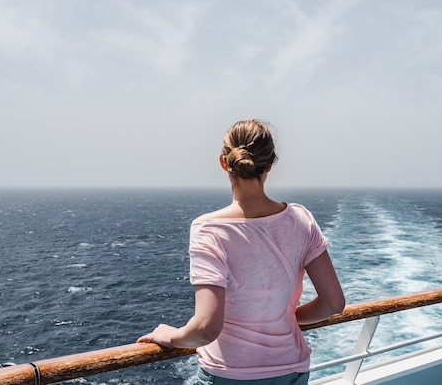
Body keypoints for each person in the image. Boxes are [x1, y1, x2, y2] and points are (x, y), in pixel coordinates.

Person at [138, 119, 345, 385]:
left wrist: (168, 336)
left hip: (229, 375)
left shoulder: (209, 228)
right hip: (291, 372)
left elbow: (204, 330)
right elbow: (333, 304)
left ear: (224, 162)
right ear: (269, 165)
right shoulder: (300, 219)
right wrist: (286, 319)